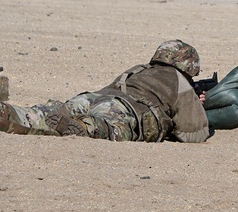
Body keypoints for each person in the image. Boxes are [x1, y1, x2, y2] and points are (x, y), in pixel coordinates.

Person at [0, 39, 210, 142]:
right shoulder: (180, 82)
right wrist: (197, 106)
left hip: (95, 97)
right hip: (123, 109)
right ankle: (84, 127)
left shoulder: (139, 69)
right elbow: (192, 133)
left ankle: (10, 112)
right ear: (188, 67)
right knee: (110, 128)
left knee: (43, 113)